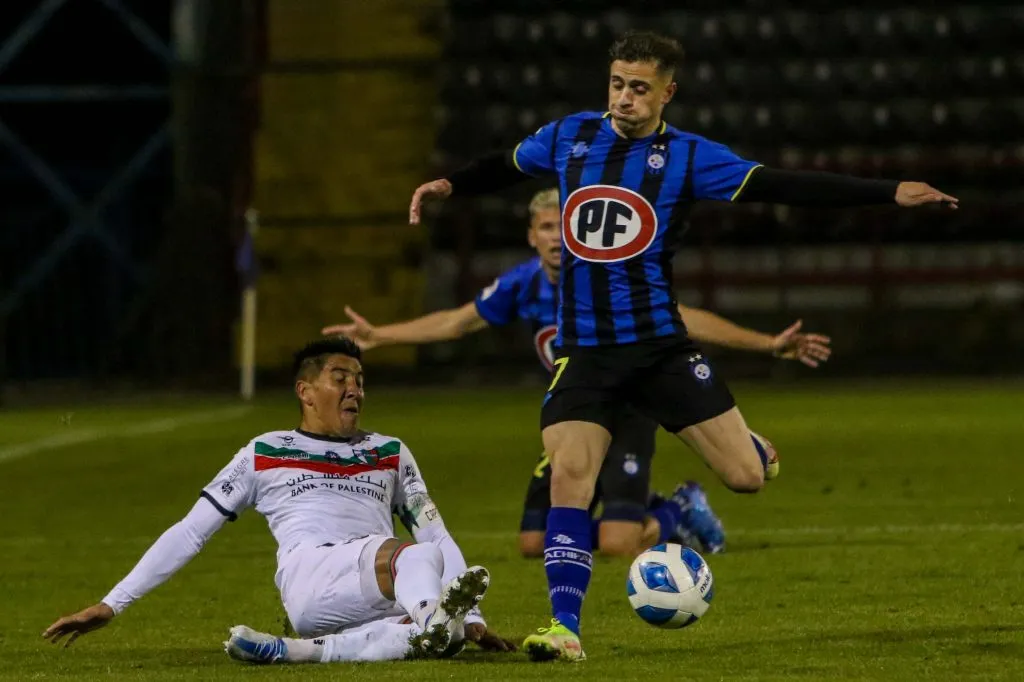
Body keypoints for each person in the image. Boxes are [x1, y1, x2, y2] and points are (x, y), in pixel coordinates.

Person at [407, 31, 957, 662]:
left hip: (662, 350)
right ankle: (564, 628)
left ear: (668, 92)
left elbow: (784, 184)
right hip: (587, 355)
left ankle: (738, 451)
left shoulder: (691, 157)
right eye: (616, 83)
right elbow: (504, 166)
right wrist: (447, 185)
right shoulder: (570, 136)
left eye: (639, 88)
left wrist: (888, 192)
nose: (624, 98)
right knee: (569, 475)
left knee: (746, 479)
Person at [324, 187, 831, 559]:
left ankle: (681, 508)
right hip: (580, 410)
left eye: (559, 227)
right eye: (544, 227)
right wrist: (380, 336)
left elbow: (685, 317)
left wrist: (766, 343)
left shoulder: (605, 279)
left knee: (616, 545)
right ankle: (649, 503)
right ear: (531, 235)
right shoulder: (520, 284)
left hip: (631, 407)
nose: (553, 238)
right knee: (531, 543)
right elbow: (457, 321)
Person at [42, 338, 515, 663]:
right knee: (415, 559)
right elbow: (191, 530)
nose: (355, 389)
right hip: (313, 577)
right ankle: (434, 619)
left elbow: (434, 529)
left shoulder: (389, 452)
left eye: (360, 379)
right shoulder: (264, 452)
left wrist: (473, 619)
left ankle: (297, 651)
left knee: (434, 598)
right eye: (340, 378)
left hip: (381, 585)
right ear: (305, 392)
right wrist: (113, 603)